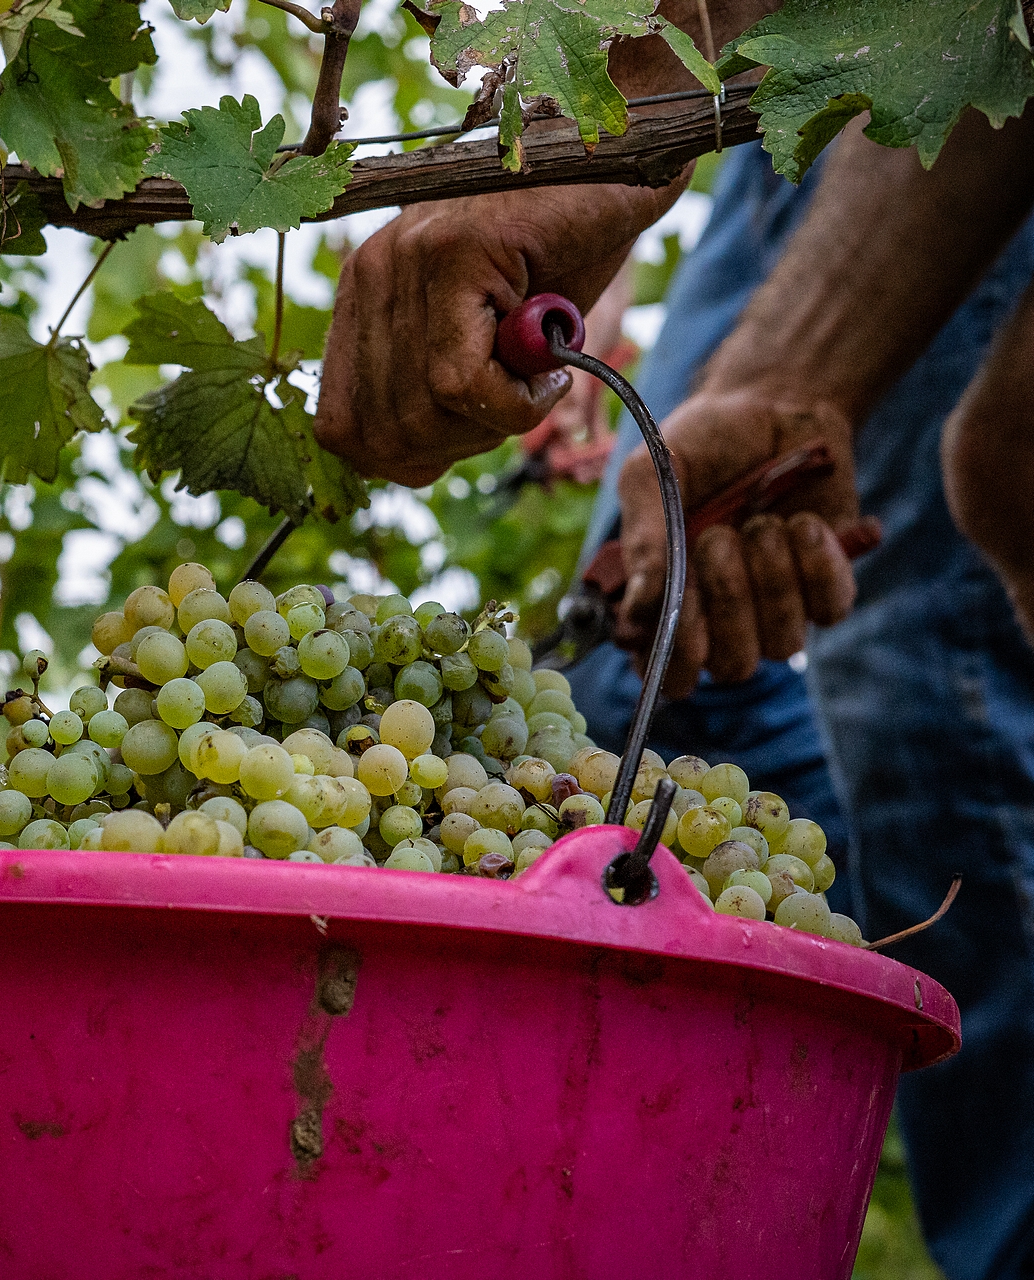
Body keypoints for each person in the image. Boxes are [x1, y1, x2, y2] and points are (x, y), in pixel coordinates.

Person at [316, 51, 1034, 1280]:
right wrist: (610, 195)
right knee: (641, 672)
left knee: (923, 677)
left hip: (960, 69)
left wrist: (593, 151)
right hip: (779, 98)